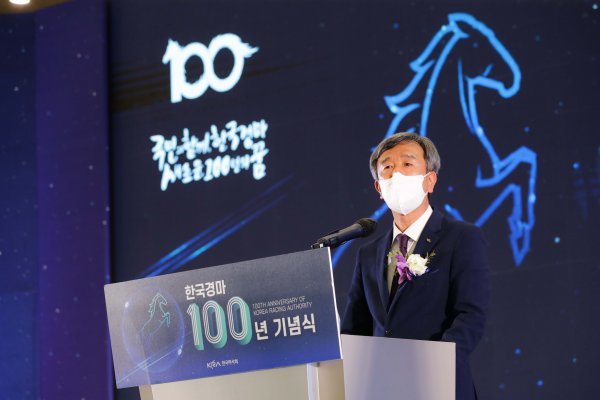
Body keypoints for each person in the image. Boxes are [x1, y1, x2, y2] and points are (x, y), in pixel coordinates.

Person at [340, 132, 490, 400]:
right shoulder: (368, 254)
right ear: (379, 188)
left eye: (407, 164)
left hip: (439, 385)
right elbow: (355, 330)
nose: (396, 173)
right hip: (382, 391)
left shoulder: (461, 238)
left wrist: (432, 367)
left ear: (430, 180)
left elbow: (470, 316)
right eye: (387, 167)